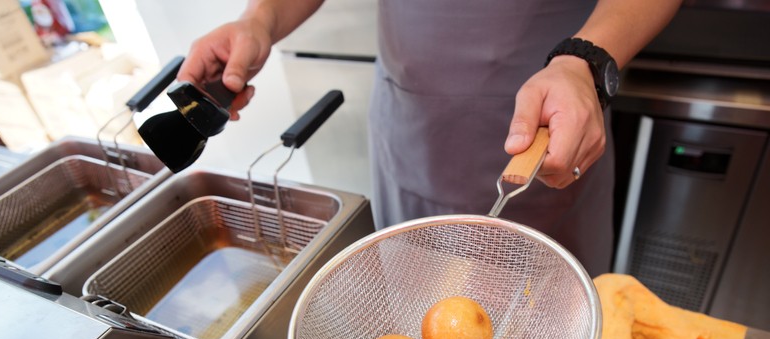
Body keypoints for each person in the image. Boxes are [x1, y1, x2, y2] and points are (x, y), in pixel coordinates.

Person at [178, 0, 682, 277]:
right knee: (414, 294)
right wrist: (259, 19)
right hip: (411, 124)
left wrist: (587, 60)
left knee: (539, 324)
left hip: (551, 119)